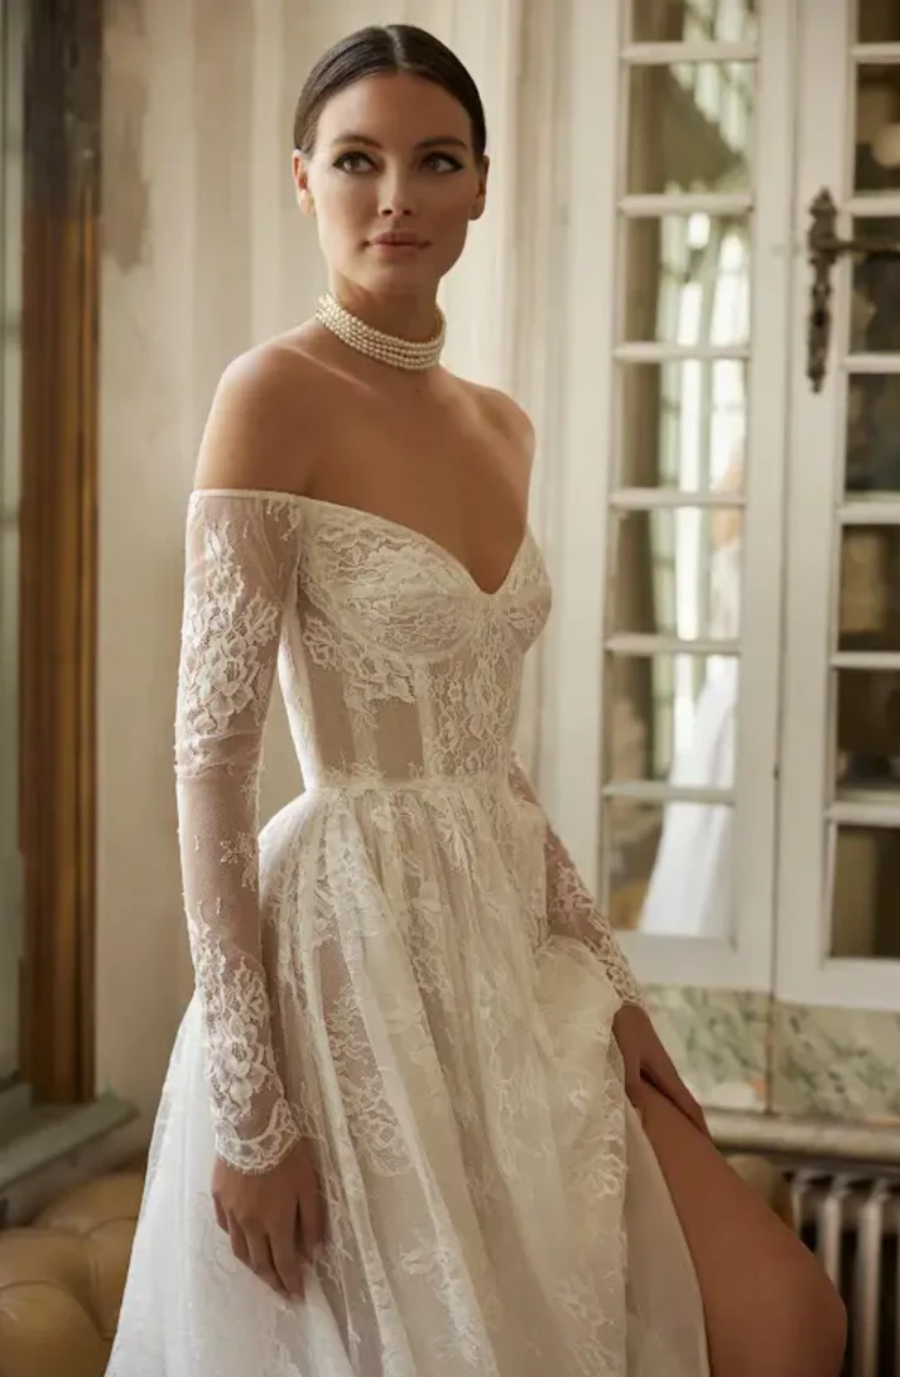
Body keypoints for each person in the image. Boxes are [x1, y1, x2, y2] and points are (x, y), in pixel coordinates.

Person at [106, 24, 846, 1377]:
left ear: (482, 187)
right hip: (351, 956)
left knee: (787, 1316)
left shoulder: (503, 425)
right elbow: (210, 764)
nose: (397, 196)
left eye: (435, 161)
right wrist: (252, 1110)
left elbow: (484, 758)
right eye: (358, 161)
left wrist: (614, 987)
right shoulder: (271, 394)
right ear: (303, 179)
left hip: (510, 940)